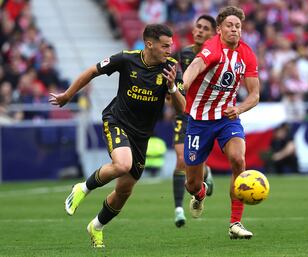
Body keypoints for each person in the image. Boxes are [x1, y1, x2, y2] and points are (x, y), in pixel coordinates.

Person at [49, 24, 185, 248]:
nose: (170, 50)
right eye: (165, 46)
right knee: (122, 164)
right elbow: (92, 71)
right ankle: (82, 188)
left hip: (142, 135)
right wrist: (68, 95)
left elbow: (182, 108)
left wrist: (172, 88)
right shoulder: (126, 59)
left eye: (171, 45)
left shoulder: (171, 68)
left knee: (123, 191)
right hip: (117, 121)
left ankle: (97, 226)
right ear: (149, 44)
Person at [182, 6, 260, 239]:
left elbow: (255, 94)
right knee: (192, 184)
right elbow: (195, 66)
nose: (234, 29)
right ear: (219, 29)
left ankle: (235, 223)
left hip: (227, 118)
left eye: (238, 26)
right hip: (199, 120)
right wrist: (183, 85)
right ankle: (201, 193)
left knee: (238, 159)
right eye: (229, 25)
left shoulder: (247, 54)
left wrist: (239, 108)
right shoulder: (212, 47)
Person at [171, 14, 216, 228]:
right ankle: (179, 209)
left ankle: (205, 174)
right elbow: (176, 82)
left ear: (213, 34)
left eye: (205, 28)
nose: (199, 31)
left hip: (205, 115)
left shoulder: (217, 56)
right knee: (181, 158)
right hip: (184, 113)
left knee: (194, 165)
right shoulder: (183, 54)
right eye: (197, 27)